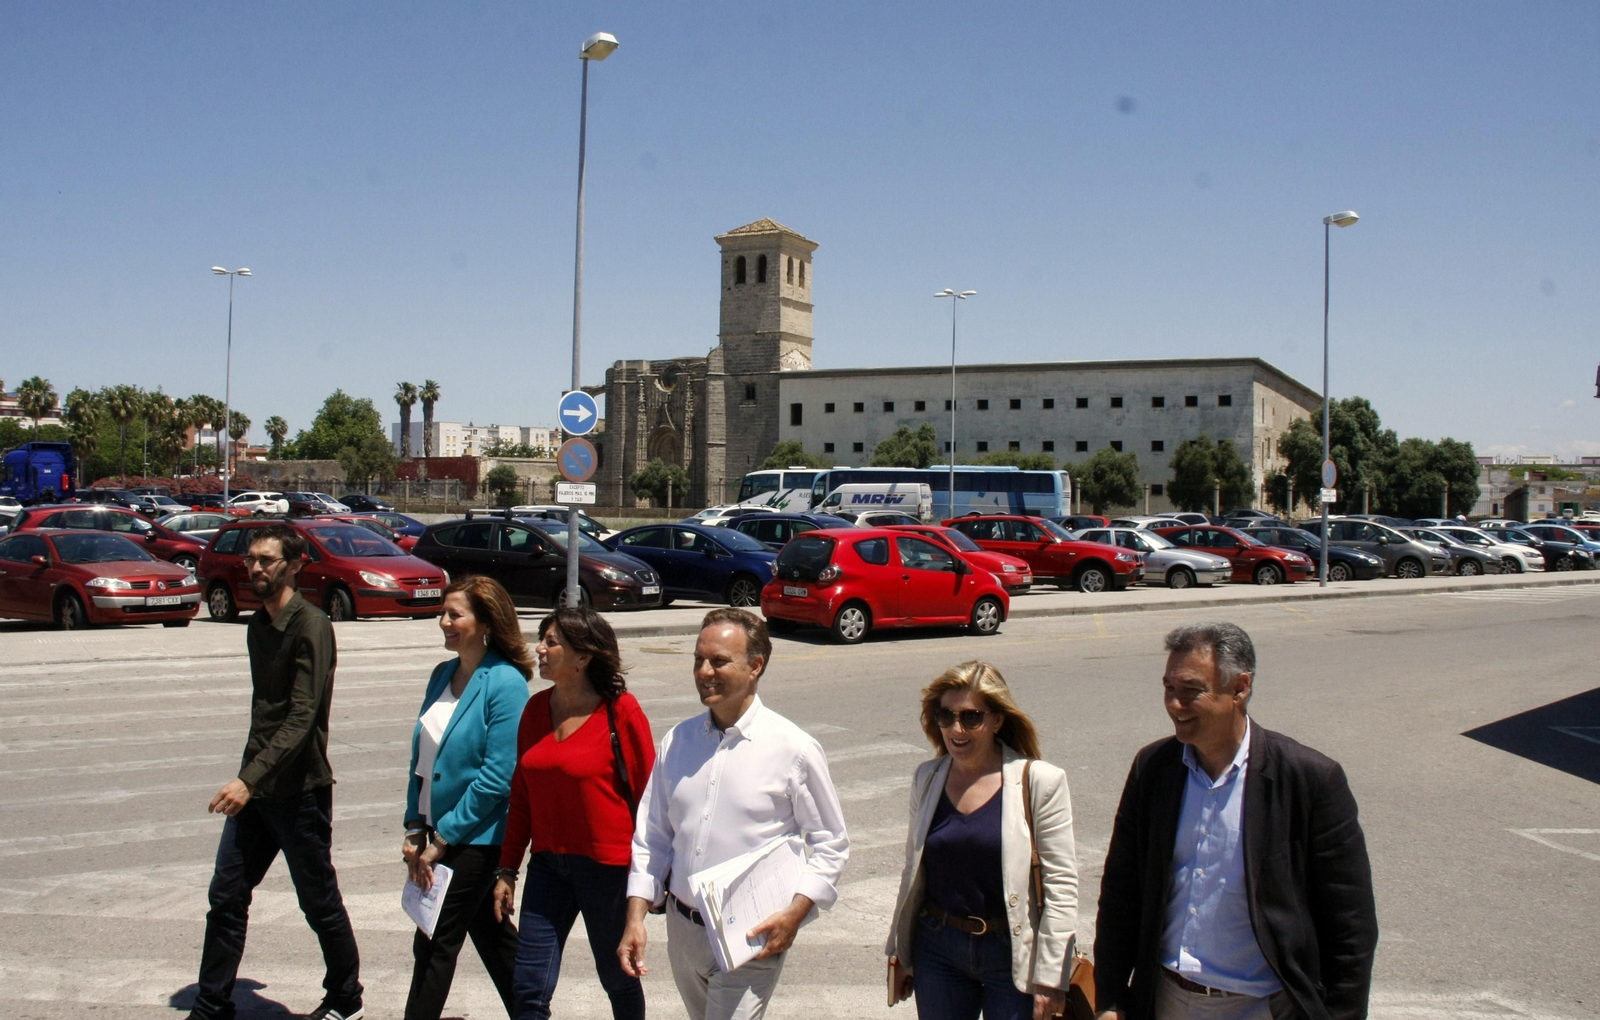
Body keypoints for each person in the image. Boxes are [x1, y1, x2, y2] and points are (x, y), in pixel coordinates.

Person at [1094, 623, 1378, 1020]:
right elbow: (1122, 892)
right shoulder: (1154, 770)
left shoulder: (1311, 780)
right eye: (1169, 689)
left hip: (1263, 1007)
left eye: (1191, 690)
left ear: (1240, 688)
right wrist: (1109, 999)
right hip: (1166, 1000)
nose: (1175, 704)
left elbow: (1351, 927)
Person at [618, 608, 850, 1020]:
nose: (704, 671)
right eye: (698, 660)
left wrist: (793, 915)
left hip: (749, 936)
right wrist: (636, 917)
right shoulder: (679, 741)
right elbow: (653, 836)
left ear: (755, 666)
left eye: (719, 661)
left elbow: (831, 843)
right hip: (683, 930)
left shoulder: (792, 749)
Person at [188, 524, 363, 1020]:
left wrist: (250, 778)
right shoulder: (257, 626)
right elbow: (264, 712)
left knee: (318, 901)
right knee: (226, 897)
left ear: (294, 565)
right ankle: (211, 1004)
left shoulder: (310, 625)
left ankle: (346, 998)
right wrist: (250, 778)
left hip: (299, 789)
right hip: (257, 788)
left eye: (267, 560)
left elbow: (302, 718)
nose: (256, 568)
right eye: (252, 560)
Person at [886, 662, 1079, 1020]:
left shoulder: (1040, 782)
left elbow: (1061, 885)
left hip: (1011, 951)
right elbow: (913, 872)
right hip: (938, 947)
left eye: (971, 717)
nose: (956, 729)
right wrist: (901, 953)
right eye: (946, 716)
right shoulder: (927, 778)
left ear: (997, 720)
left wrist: (1052, 978)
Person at [491, 607, 655, 1019]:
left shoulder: (622, 712)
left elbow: (651, 800)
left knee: (618, 979)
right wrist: (507, 869)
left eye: (551, 641)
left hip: (608, 869)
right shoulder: (534, 711)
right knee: (529, 988)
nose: (539, 649)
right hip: (548, 868)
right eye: (541, 639)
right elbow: (522, 797)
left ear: (583, 657)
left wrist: (652, 877)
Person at [401, 575, 532, 1019]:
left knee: (435, 940)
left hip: (478, 837)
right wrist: (415, 826)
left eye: (454, 614)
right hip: (438, 831)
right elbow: (423, 757)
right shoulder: (442, 675)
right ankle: (533, 1012)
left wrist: (444, 839)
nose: (443, 622)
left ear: (486, 622)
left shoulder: (506, 681)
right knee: (495, 939)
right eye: (443, 613)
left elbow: (498, 777)